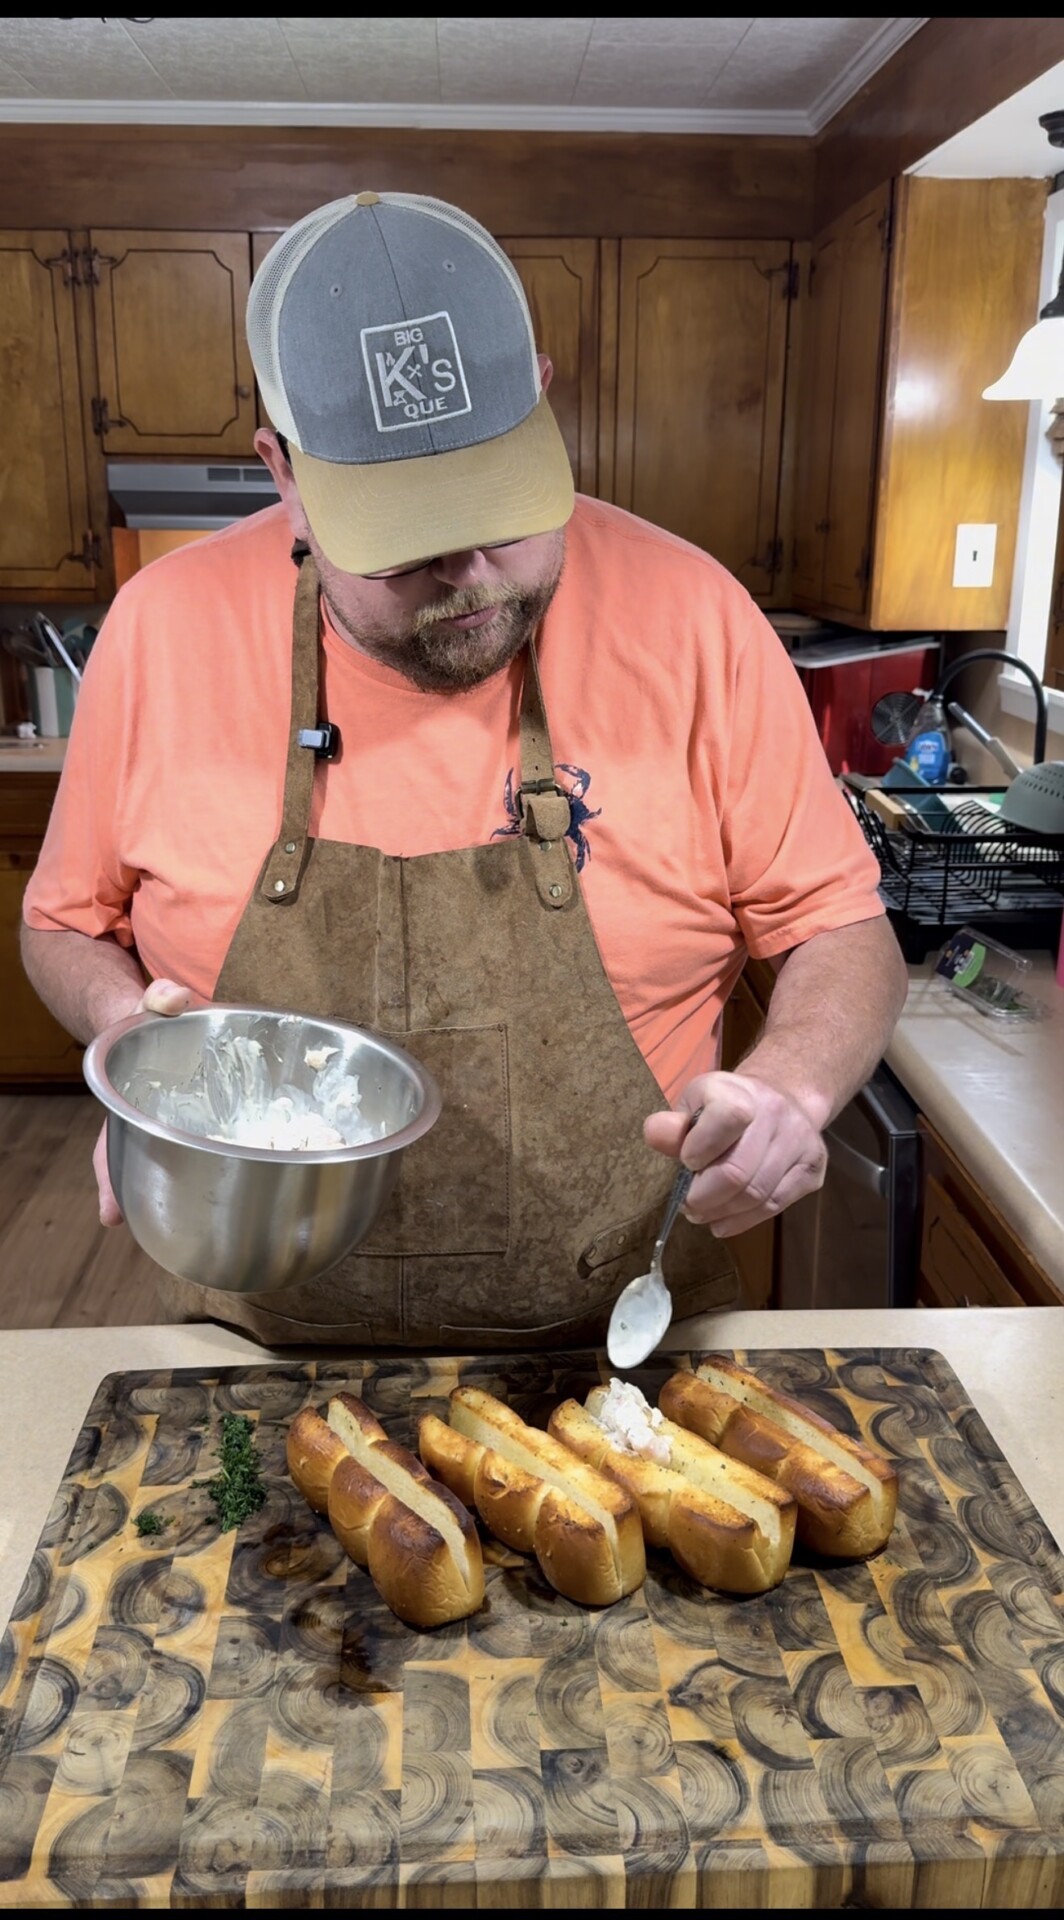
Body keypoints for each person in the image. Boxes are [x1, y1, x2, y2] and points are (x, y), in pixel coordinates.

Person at [20, 189, 907, 1350]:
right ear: (281, 471)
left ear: (537, 396)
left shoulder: (696, 618)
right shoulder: (159, 629)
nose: (474, 577)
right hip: (255, 1341)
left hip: (617, 1343)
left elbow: (841, 928)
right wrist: (134, 1045)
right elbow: (62, 923)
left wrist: (788, 1088)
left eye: (498, 512)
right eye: (406, 545)